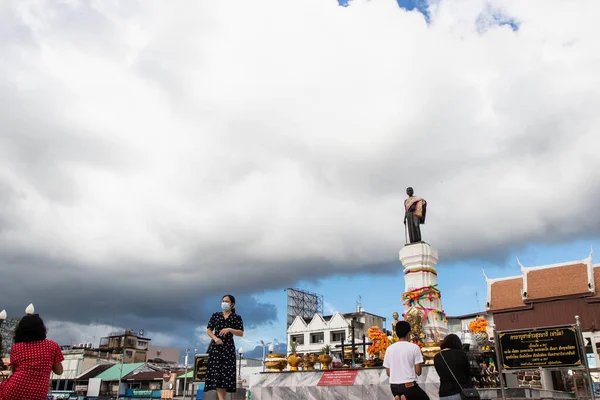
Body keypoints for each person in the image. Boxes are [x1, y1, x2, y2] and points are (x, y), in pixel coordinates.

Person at [0, 314, 64, 400]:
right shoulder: (52, 346)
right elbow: (59, 371)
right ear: (42, 329)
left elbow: (14, 370)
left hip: (15, 388)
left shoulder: (16, 347)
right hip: (38, 393)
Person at [204, 294, 244, 400]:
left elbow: (240, 333)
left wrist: (230, 329)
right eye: (223, 301)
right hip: (216, 348)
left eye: (226, 301)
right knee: (217, 374)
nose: (224, 303)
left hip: (228, 348)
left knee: (226, 375)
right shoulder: (215, 315)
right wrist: (215, 338)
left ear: (232, 304)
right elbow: (208, 330)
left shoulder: (237, 317)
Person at [383, 320, 429, 400]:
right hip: (409, 386)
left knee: (402, 392)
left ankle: (399, 396)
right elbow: (418, 372)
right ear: (409, 333)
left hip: (394, 387)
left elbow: (388, 373)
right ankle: (405, 396)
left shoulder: (389, 349)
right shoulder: (414, 348)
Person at [433, 334, 472, 400]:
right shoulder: (461, 354)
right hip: (460, 391)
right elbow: (468, 372)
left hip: (444, 392)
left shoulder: (437, 357)